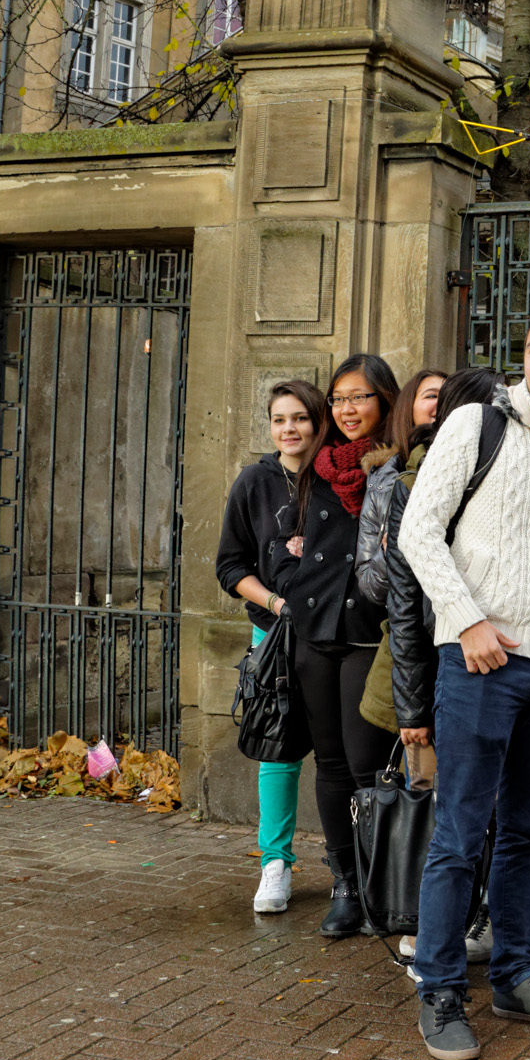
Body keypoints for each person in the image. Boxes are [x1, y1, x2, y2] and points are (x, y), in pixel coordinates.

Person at [399, 299, 530, 1060]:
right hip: (479, 661)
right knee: (458, 835)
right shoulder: (474, 426)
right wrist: (467, 622)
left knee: (526, 834)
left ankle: (519, 978)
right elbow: (418, 530)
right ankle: (440, 989)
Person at [373, 366, 505, 973]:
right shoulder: (413, 485)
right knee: (446, 809)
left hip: (506, 664)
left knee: (499, 812)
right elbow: (404, 608)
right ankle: (428, 928)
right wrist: (412, 711)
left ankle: (483, 919)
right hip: (440, 666)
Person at [277, 354, 401, 939]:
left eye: (361, 398)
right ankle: (345, 884)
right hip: (315, 630)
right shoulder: (317, 467)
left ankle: (381, 884)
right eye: (340, 398)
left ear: (384, 402)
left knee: (365, 765)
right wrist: (291, 583)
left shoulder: (396, 467)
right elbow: (274, 541)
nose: (349, 409)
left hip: (366, 632)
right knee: (328, 764)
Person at [217, 379, 325, 915]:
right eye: (280, 419)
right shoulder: (255, 482)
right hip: (274, 634)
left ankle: (354, 865)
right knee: (277, 752)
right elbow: (230, 565)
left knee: (341, 753)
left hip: (334, 634)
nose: (290, 429)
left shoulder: (338, 476)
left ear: (316, 421)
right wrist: (277, 604)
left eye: (300, 418)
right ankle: (275, 863)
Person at [390, 367, 449, 458]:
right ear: (408, 407)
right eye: (432, 396)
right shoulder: (387, 469)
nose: (443, 401)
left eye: (449, 397)